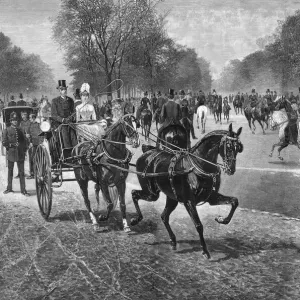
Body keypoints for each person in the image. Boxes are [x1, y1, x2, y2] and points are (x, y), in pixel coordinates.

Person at [2, 112, 29, 196]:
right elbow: (4, 142)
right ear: (10, 121)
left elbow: (24, 142)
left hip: (20, 153)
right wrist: (12, 145)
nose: (15, 122)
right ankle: (9, 188)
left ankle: (23, 190)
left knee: (21, 172)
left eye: (16, 120)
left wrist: (24, 150)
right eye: (13, 120)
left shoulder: (20, 130)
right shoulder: (6, 130)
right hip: (11, 153)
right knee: (10, 172)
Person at [51, 80, 77, 150]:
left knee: (74, 136)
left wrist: (71, 118)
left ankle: (76, 151)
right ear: (59, 91)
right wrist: (62, 120)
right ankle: (67, 152)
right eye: (62, 90)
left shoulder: (70, 100)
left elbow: (74, 112)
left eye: (65, 89)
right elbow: (54, 115)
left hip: (70, 123)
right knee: (65, 136)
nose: (64, 91)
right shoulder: (55, 101)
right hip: (60, 124)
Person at [26, 113, 43, 179]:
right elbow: (28, 134)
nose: (29, 119)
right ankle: (33, 173)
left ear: (33, 118)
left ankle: (35, 173)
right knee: (32, 158)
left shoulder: (38, 124)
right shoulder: (30, 125)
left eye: (30, 118)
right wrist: (28, 138)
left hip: (37, 144)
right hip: (33, 144)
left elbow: (41, 134)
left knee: (35, 158)